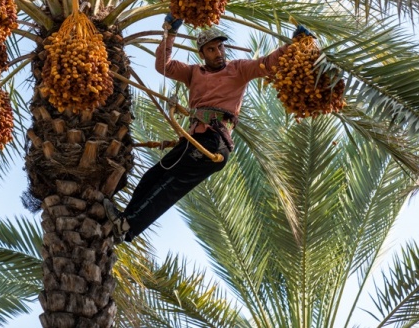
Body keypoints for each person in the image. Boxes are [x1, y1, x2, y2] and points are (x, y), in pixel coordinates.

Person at [104, 14, 315, 242]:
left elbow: (267, 63)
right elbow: (163, 66)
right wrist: (170, 33)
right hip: (192, 141)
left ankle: (127, 224)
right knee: (152, 177)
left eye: (220, 47)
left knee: (170, 184)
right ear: (202, 54)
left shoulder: (238, 69)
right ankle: (126, 225)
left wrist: (293, 45)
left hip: (214, 142)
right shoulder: (194, 73)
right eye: (211, 50)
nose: (218, 53)